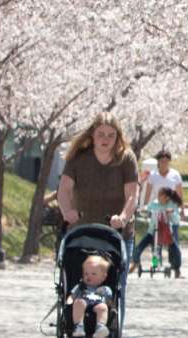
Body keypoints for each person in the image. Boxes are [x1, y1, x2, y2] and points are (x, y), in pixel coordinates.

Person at [57, 113, 139, 291]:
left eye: (111, 135)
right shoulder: (78, 158)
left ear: (118, 137)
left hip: (116, 233)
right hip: (82, 231)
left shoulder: (126, 159)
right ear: (92, 134)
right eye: (101, 134)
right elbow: (64, 189)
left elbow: (132, 195)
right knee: (73, 284)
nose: (105, 140)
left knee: (116, 289)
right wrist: (67, 211)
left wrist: (123, 217)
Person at [131, 149, 184, 276]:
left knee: (173, 246)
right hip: (155, 222)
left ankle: (176, 267)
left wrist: (179, 210)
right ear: (158, 162)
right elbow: (148, 195)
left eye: (166, 161)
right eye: (161, 161)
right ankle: (156, 263)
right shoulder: (153, 177)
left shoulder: (175, 175)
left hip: (169, 224)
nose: (164, 163)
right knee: (156, 245)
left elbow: (179, 194)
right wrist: (143, 207)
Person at [133, 188, 183, 276]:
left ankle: (177, 268)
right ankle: (148, 263)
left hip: (166, 232)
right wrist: (143, 210)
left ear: (167, 197)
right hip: (152, 231)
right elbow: (146, 209)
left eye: (161, 195)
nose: (158, 197)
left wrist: (171, 213)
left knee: (176, 250)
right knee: (147, 249)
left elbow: (176, 220)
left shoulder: (172, 205)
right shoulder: (154, 203)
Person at [69, 254, 115, 338]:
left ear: (103, 277)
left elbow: (109, 301)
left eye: (93, 274)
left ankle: (100, 327)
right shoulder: (80, 286)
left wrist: (112, 306)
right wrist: (69, 301)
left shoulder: (105, 289)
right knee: (78, 302)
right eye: (86, 273)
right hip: (83, 303)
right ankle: (79, 326)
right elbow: (72, 295)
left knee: (103, 307)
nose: (88, 276)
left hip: (98, 304)